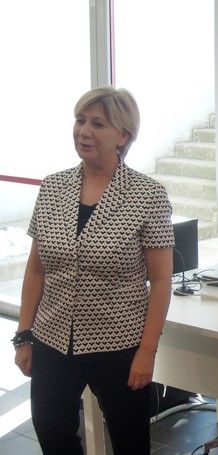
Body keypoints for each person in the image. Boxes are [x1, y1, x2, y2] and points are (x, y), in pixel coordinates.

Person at [13, 87, 174, 454]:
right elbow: (36, 270)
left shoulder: (147, 194)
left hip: (119, 344)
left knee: (130, 443)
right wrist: (24, 334)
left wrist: (147, 352)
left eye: (97, 124)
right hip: (52, 337)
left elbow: (161, 281)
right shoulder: (53, 187)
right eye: (80, 120)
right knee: (53, 436)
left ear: (123, 136)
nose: (83, 131)